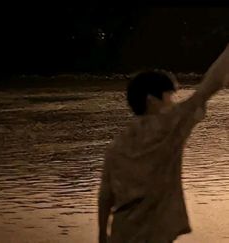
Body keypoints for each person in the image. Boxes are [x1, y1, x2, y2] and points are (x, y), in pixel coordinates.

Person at [98, 44, 229, 243]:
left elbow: (105, 196)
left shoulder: (117, 144)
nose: (173, 103)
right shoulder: (167, 129)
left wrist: (101, 233)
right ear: (152, 100)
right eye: (169, 96)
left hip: (121, 234)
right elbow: (209, 86)